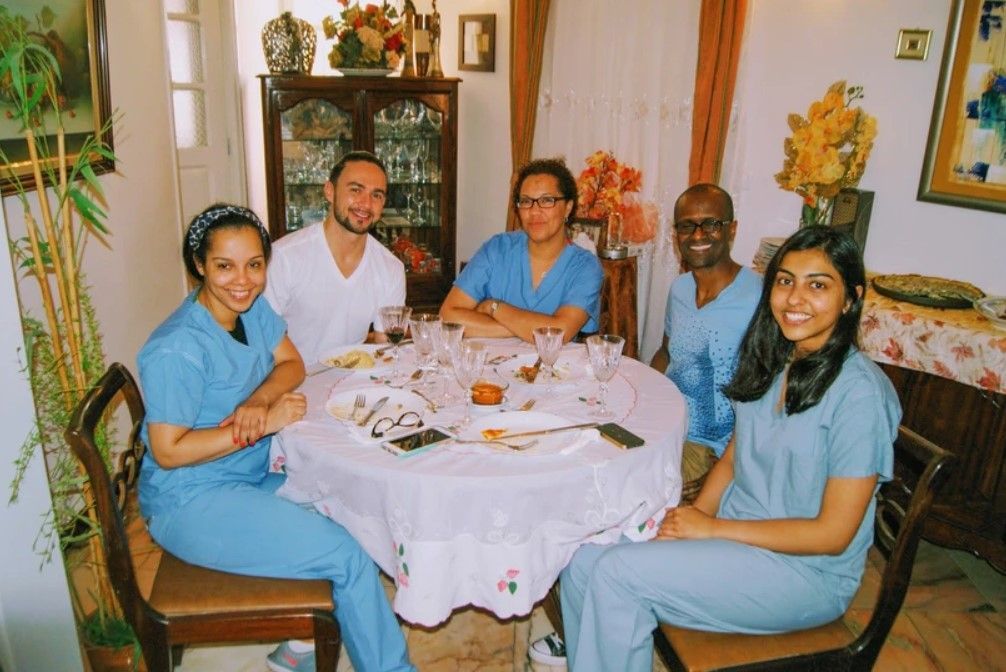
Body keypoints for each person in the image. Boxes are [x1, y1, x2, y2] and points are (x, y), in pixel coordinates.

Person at [558, 226, 901, 672]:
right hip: (736, 538)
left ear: (851, 298)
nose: (795, 298)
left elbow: (833, 535)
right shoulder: (776, 357)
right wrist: (694, 517)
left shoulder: (859, 396)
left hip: (803, 572)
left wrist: (712, 529)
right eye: (785, 281)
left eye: (818, 285)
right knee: (582, 559)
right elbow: (737, 455)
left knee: (617, 576)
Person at [137, 204, 414, 672]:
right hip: (189, 500)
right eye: (224, 266)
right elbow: (167, 451)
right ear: (199, 265)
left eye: (254, 265)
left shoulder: (250, 310)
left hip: (244, 477)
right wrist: (263, 424)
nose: (242, 280)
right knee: (346, 555)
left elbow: (292, 364)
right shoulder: (177, 348)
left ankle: (297, 650)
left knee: (354, 509)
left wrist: (258, 401)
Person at [649, 183, 761, 497]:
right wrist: (644, 402)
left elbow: (768, 395)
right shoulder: (680, 289)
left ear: (731, 229)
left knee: (636, 495)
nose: (698, 235)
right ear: (676, 235)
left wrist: (727, 465)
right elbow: (666, 352)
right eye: (687, 226)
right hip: (666, 428)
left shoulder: (758, 297)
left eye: (711, 224)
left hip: (711, 448)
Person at [264, 151, 406, 364]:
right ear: (329, 191)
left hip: (354, 379)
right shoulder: (284, 258)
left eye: (376, 195)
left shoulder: (391, 268)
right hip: (292, 378)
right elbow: (262, 342)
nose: (366, 204)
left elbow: (385, 349)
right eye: (356, 190)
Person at [439, 158, 603, 343]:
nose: (534, 211)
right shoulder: (497, 249)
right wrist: (523, 328)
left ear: (568, 207)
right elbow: (448, 317)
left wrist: (494, 307)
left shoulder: (585, 267)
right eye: (526, 201)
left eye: (546, 200)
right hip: (492, 360)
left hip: (552, 361)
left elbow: (560, 333)